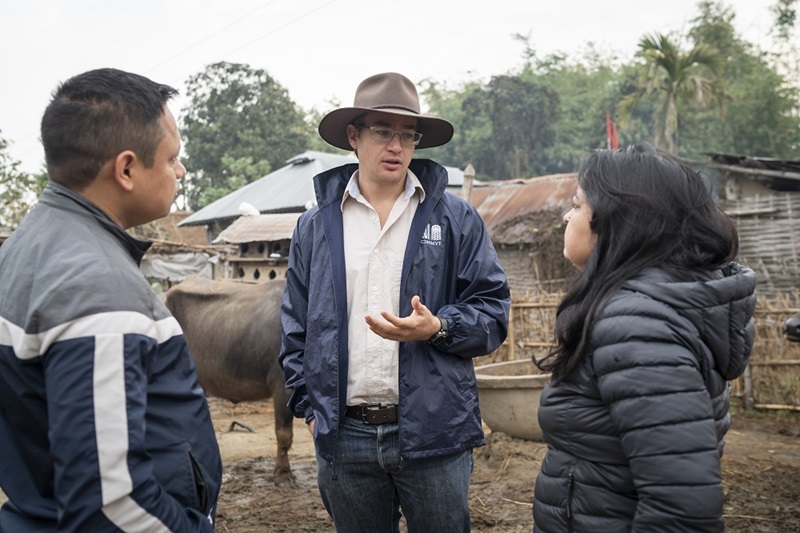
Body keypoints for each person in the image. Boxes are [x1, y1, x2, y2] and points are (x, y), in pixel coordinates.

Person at [280, 72, 511, 532]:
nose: (396, 146)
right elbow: (295, 325)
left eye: (407, 135)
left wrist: (439, 327)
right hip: (346, 437)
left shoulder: (455, 217)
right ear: (354, 136)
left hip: (434, 431)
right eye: (383, 132)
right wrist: (310, 410)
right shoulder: (316, 225)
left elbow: (493, 310)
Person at [0, 68, 223, 531]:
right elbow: (109, 504)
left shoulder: (26, 248)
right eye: (171, 159)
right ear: (125, 169)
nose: (179, 171)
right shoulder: (98, 288)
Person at [532, 143, 757, 532]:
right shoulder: (647, 309)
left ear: (620, 222)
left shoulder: (638, 326)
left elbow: (682, 512)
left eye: (578, 204)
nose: (568, 216)